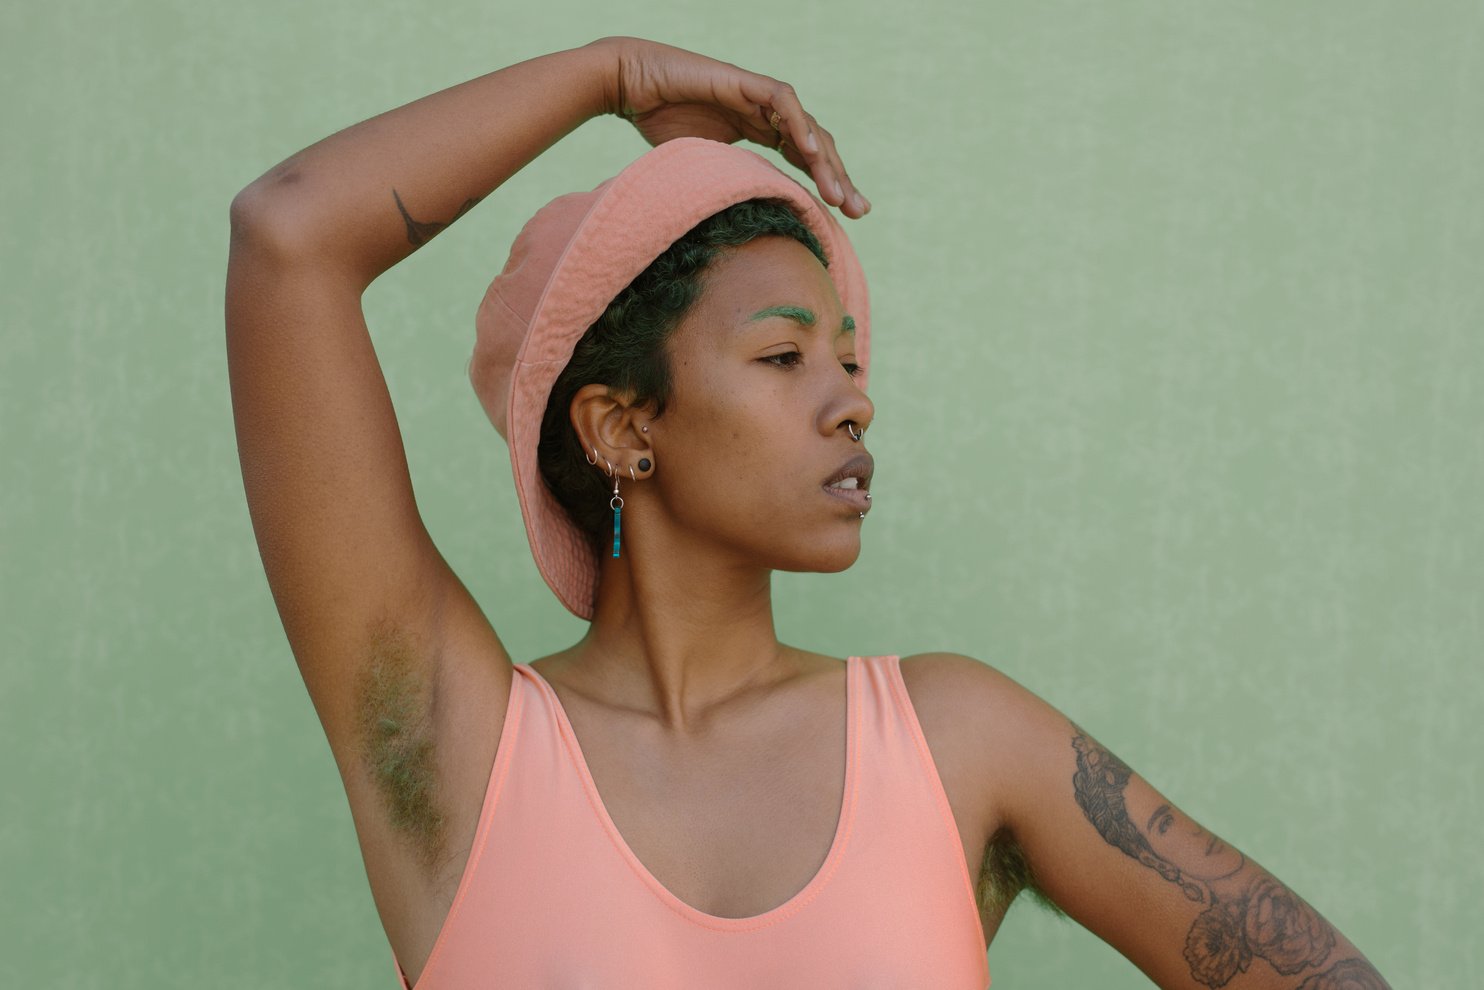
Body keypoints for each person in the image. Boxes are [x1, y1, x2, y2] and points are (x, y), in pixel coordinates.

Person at [225, 36, 1390, 990]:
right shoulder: (460, 746)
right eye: (782, 357)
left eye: (846, 356)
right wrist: (611, 76)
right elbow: (290, 235)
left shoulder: (955, 740)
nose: (853, 400)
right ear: (620, 427)